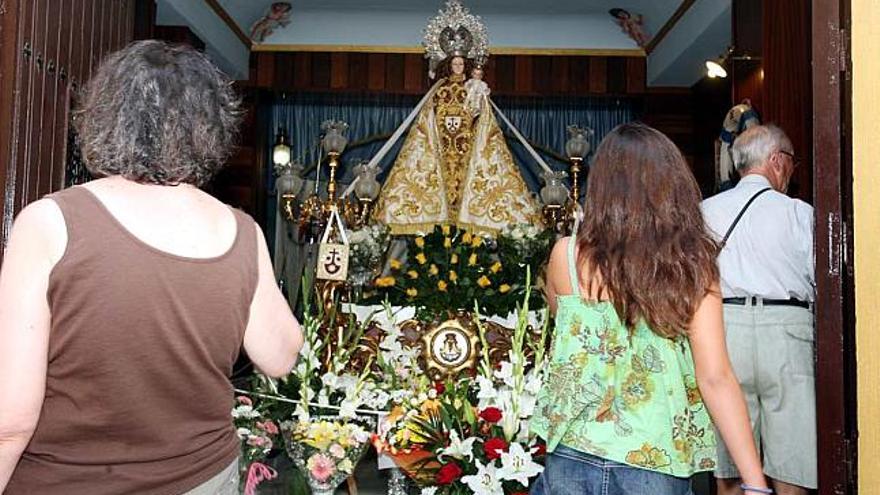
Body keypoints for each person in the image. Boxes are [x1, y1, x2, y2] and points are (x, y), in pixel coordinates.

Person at [0, 40, 303, 494]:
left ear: (104, 115)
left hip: (67, 480)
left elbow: (11, 420)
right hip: (203, 479)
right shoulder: (241, 230)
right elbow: (280, 357)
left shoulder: (50, 221)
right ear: (212, 127)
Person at [530, 122, 770, 495]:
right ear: (671, 186)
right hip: (655, 458)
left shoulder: (565, 254)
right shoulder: (690, 265)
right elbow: (715, 378)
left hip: (573, 454)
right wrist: (754, 481)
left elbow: (571, 338)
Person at [701, 124, 815, 495]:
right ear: (777, 161)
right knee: (792, 455)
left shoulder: (705, 212)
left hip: (723, 329)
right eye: (792, 163)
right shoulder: (799, 213)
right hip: (788, 329)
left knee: (731, 452)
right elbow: (820, 280)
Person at [373, 0, 542, 236]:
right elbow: (426, 124)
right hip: (441, 155)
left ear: (467, 64)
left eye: (462, 63)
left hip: (469, 152)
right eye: (454, 63)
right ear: (448, 64)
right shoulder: (439, 90)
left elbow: (485, 122)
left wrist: (477, 101)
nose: (458, 67)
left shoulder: (476, 89)